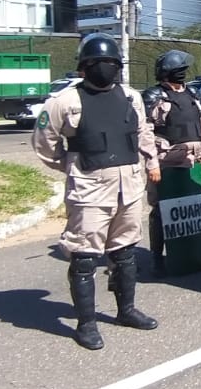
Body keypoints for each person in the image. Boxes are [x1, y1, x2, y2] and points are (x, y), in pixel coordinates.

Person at [33, 33, 160, 350]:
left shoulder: (132, 97)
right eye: (96, 63)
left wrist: (151, 162)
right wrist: (71, 166)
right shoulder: (64, 102)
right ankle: (86, 324)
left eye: (110, 63)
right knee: (85, 258)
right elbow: (44, 144)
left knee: (126, 253)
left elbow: (143, 134)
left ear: (118, 66)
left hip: (128, 187)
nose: (104, 68)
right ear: (83, 67)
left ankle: (126, 310)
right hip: (89, 191)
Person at [140, 50, 201, 277]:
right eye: (180, 67)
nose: (184, 71)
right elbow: (145, 132)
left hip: (192, 160)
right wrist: (152, 164)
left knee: (192, 208)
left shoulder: (192, 93)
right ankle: (157, 258)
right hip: (166, 160)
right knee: (161, 211)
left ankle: (191, 253)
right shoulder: (154, 96)